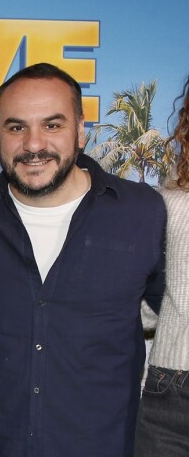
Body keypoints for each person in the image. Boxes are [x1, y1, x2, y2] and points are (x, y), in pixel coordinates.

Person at [0, 62, 167, 457]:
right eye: (16, 127)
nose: (33, 144)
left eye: (52, 125)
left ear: (80, 131)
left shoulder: (142, 211)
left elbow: (176, 316)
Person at [134, 74, 189, 456]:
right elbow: (148, 304)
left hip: (169, 382)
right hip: (168, 386)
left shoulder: (169, 203)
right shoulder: (167, 203)